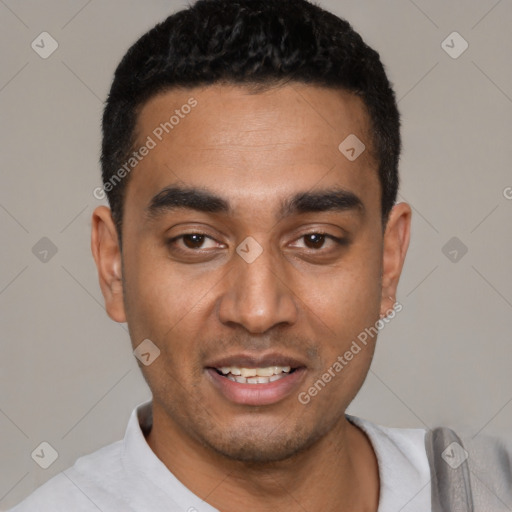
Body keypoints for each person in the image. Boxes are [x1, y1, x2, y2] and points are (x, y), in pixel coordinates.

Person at [9, 0, 512, 510]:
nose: (257, 311)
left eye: (315, 240)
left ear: (389, 261)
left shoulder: (489, 491)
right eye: (195, 240)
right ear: (112, 265)